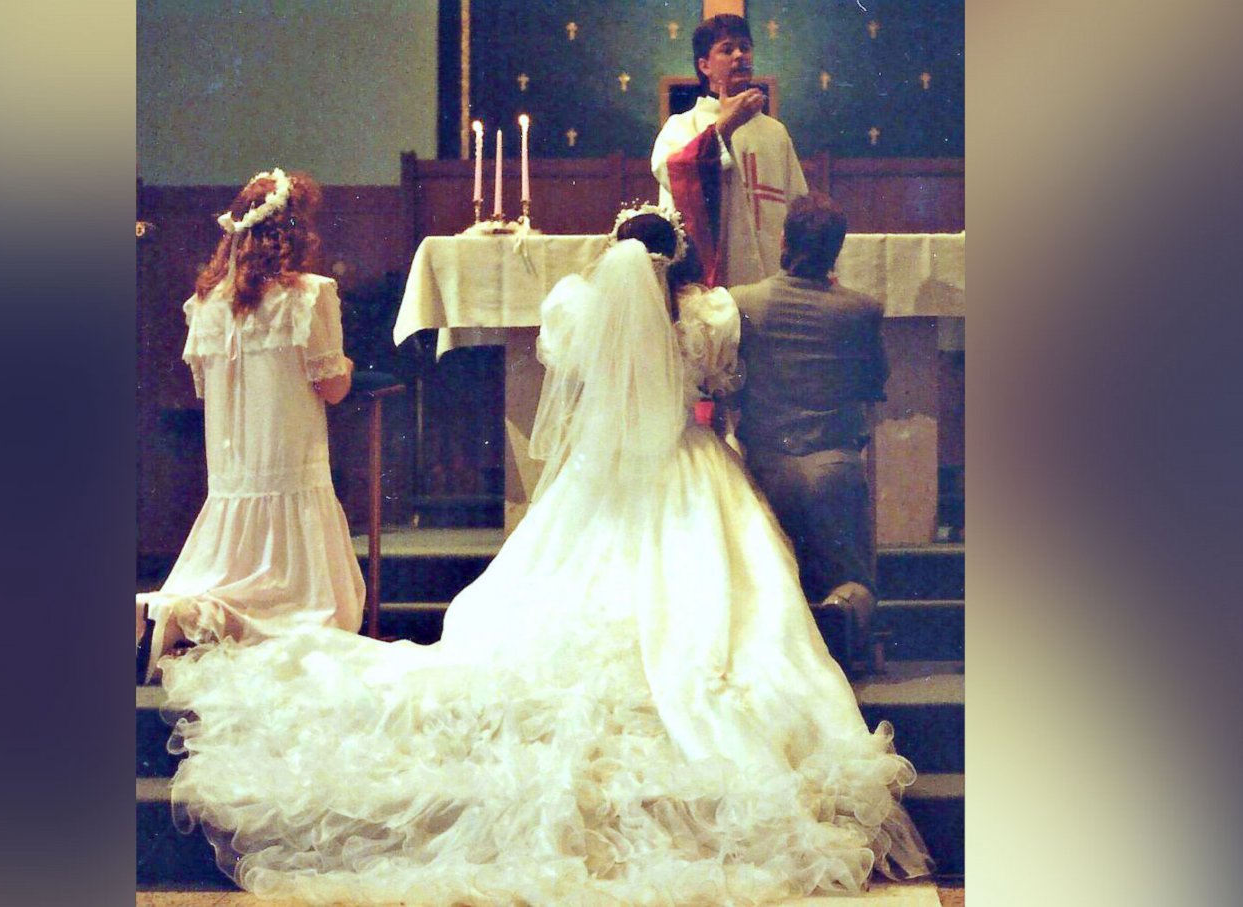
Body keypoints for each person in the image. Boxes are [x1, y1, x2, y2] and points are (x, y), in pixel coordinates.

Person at [156, 204, 931, 905]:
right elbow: (722, 385)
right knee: (730, 609)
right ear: (678, 262)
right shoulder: (711, 314)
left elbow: (569, 371)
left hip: (598, 475)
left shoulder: (575, 307)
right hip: (688, 469)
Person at [136, 169, 362, 679]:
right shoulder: (310, 294)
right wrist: (345, 368)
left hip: (232, 477)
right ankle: (193, 616)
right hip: (291, 465)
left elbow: (207, 388)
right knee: (320, 613)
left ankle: (183, 613)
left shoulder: (206, 304)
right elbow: (331, 386)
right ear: (294, 231)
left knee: (230, 579)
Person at [727, 194, 891, 678]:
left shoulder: (744, 302)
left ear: (782, 241)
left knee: (774, 575)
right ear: (835, 251)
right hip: (834, 467)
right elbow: (873, 384)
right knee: (853, 580)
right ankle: (841, 624)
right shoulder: (860, 310)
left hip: (766, 468)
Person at [653, 13, 809, 288]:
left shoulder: (775, 132)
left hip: (772, 276)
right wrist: (722, 129)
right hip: (710, 277)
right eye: (727, 49)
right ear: (705, 65)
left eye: (745, 47)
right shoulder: (682, 126)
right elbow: (674, 174)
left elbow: (798, 204)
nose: (740, 55)